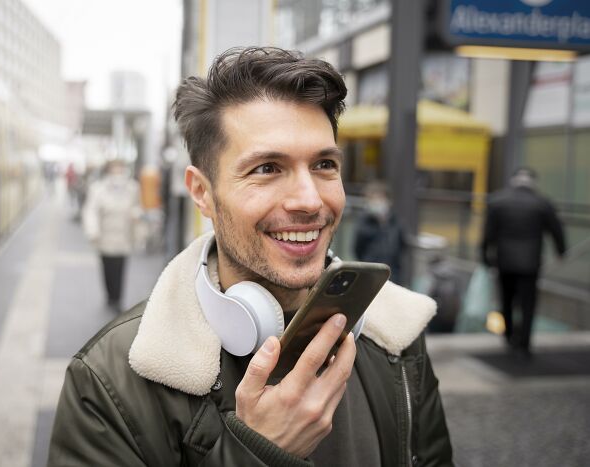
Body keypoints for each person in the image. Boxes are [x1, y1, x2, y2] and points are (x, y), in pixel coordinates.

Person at [48, 47, 452, 466]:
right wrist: (258, 454)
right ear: (202, 192)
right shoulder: (108, 383)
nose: (310, 200)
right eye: (267, 168)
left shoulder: (396, 335)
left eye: (324, 165)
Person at [481, 167, 566, 357]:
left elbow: (488, 234)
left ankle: (509, 336)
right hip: (530, 262)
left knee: (506, 299)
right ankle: (525, 343)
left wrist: (485, 257)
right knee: (528, 303)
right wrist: (561, 251)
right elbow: (556, 229)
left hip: (504, 260)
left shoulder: (498, 201)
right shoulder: (542, 202)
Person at [82, 159, 143, 312]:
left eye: (120, 168)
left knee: (120, 268)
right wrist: (93, 231)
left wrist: (136, 216)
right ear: (108, 170)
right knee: (107, 268)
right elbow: (91, 211)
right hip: (104, 237)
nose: (118, 172)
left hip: (124, 236)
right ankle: (109, 295)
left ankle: (117, 299)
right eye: (115, 168)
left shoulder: (132, 188)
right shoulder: (98, 189)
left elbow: (137, 206)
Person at [353, 181, 407, 284]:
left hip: (394, 277)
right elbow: (357, 249)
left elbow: (402, 247)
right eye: (372, 199)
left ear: (388, 200)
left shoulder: (396, 223)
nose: (376, 203)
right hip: (370, 277)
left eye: (379, 198)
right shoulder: (364, 223)